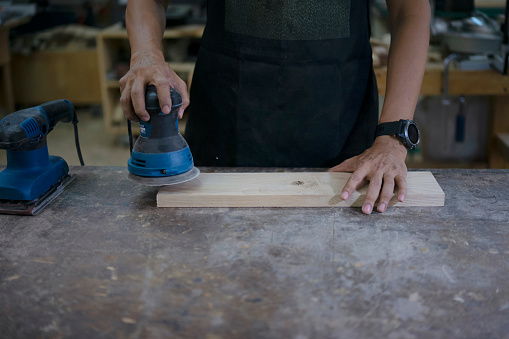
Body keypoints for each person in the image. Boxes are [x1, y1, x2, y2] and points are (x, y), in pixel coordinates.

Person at [120, 0, 431, 215]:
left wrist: (393, 138)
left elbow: (410, 10)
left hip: (342, 131)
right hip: (226, 119)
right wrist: (146, 55)